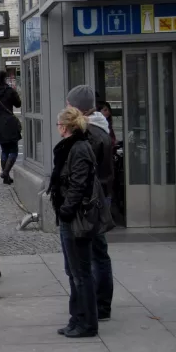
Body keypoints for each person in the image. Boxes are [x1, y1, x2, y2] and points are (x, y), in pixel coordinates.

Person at [67, 86, 115, 322]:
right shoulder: (100, 129)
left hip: (92, 201)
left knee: (94, 253)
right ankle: (101, 302)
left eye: (69, 105)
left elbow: (83, 173)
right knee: (98, 252)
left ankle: (100, 305)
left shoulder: (91, 134)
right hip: (100, 195)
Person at [51, 105, 99, 337]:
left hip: (77, 217)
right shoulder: (68, 147)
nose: (58, 128)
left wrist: (67, 209)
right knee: (72, 272)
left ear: (66, 126)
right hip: (69, 215)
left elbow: (79, 184)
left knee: (81, 273)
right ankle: (76, 318)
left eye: (59, 124)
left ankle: (87, 322)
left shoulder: (79, 148)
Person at [0, 71, 22, 184]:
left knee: (4, 150)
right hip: (9, 122)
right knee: (13, 150)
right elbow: (18, 104)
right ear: (6, 79)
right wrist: (15, 92)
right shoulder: (9, 91)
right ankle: (5, 172)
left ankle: (6, 177)